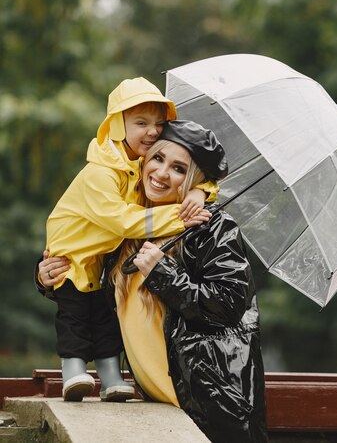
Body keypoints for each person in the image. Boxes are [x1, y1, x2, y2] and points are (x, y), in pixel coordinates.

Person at [40, 120, 268, 443]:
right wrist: (46, 275)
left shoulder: (211, 228)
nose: (161, 174)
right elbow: (86, 265)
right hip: (153, 407)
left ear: (194, 181)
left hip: (208, 408)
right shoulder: (127, 222)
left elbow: (229, 304)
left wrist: (163, 274)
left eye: (178, 168)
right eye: (158, 159)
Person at [42, 79, 216, 403]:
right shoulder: (100, 173)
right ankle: (74, 372)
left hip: (104, 266)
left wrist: (200, 191)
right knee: (75, 319)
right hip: (73, 259)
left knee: (106, 324)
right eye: (141, 123)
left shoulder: (140, 167)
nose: (152, 132)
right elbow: (124, 222)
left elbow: (196, 175)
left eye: (159, 124)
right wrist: (182, 215)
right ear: (117, 125)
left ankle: (111, 379)